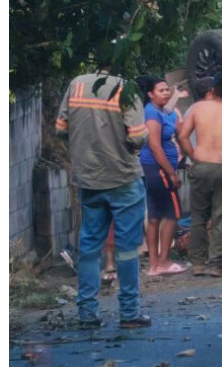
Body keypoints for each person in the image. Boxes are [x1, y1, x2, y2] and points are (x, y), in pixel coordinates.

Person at [55, 71, 151, 329]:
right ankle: (129, 313)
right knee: (127, 248)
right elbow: (137, 136)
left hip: (89, 179)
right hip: (123, 179)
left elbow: (61, 128)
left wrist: (84, 146)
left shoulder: (76, 83)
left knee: (89, 248)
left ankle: (87, 314)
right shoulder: (125, 88)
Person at [178, 73, 222, 277]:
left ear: (214, 91)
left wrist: (193, 156)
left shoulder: (198, 108)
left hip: (201, 166)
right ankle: (217, 264)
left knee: (198, 216)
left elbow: (183, 137)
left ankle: (198, 263)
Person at [137, 76, 187, 276]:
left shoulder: (159, 111)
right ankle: (164, 262)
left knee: (155, 216)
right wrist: (171, 173)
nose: (166, 93)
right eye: (161, 90)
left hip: (152, 170)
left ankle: (154, 266)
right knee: (171, 215)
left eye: (167, 89)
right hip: (158, 170)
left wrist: (176, 96)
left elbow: (169, 109)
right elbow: (155, 146)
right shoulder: (151, 113)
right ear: (150, 94)